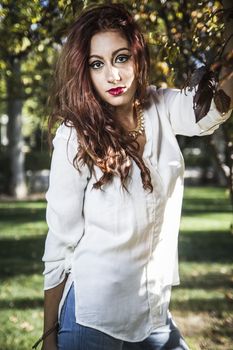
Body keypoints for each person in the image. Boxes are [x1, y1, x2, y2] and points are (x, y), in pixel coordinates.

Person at [37, 3, 232, 350]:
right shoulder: (74, 135)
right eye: (98, 64)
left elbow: (210, 109)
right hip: (92, 318)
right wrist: (49, 336)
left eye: (121, 58)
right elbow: (60, 243)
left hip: (152, 312)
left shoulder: (161, 107)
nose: (113, 75)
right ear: (86, 72)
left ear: (138, 58)